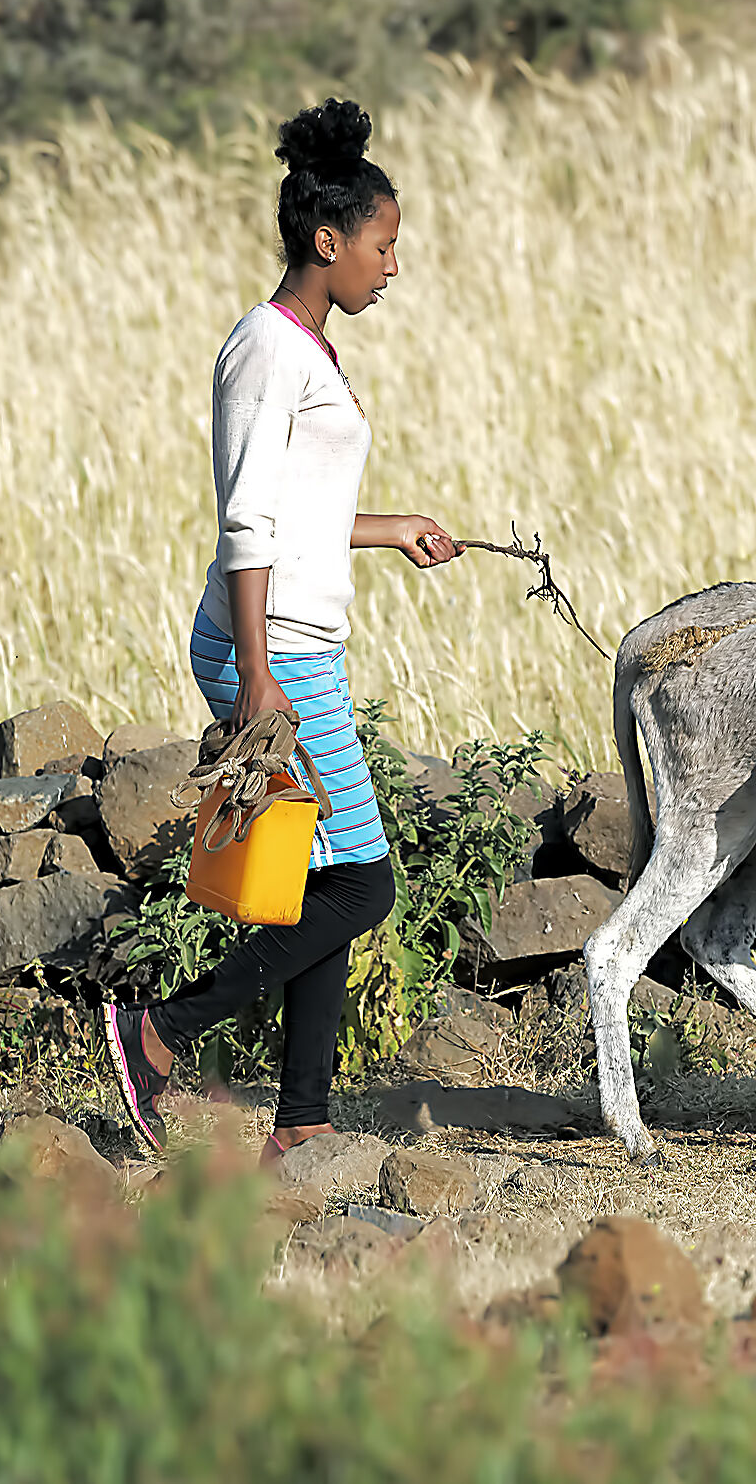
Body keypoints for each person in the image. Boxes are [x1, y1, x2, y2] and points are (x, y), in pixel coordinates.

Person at [100, 98, 458, 1162]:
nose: (393, 267)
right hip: (273, 648)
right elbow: (246, 516)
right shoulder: (267, 350)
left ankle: (301, 1125)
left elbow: (296, 508)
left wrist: (391, 531)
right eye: (384, 246)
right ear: (328, 240)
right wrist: (258, 675)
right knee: (366, 882)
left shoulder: (305, 346)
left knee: (324, 881)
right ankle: (160, 1031)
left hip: (297, 637)